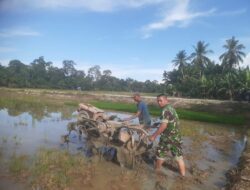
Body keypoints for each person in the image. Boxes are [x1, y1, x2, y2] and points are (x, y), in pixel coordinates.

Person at [149, 94, 185, 177]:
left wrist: (154, 136)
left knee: (160, 154)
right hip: (176, 137)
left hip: (167, 138)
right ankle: (183, 176)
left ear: (166, 100)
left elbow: (164, 125)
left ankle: (156, 171)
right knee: (178, 157)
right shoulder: (171, 108)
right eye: (158, 101)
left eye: (160, 100)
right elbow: (168, 121)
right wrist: (156, 124)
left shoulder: (165, 110)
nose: (159, 102)